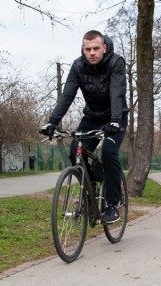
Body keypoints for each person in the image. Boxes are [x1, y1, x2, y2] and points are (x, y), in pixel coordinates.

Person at [40, 30, 129, 224]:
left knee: (108, 152)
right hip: (92, 117)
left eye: (96, 48)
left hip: (116, 118)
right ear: (83, 49)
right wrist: (52, 122)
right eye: (88, 49)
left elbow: (117, 92)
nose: (92, 53)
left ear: (104, 47)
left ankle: (113, 204)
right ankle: (91, 187)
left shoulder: (116, 63)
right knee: (75, 151)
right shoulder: (78, 66)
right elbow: (67, 96)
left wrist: (115, 120)